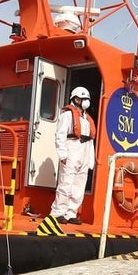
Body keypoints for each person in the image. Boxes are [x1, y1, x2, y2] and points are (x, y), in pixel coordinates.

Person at [49, 86, 97, 223]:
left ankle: (71, 213)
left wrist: (90, 160)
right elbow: (60, 135)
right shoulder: (67, 116)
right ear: (76, 99)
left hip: (84, 154)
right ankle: (58, 212)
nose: (85, 101)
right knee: (66, 183)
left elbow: (89, 141)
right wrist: (63, 154)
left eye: (87, 99)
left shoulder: (87, 120)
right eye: (83, 99)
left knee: (79, 186)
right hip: (71, 151)